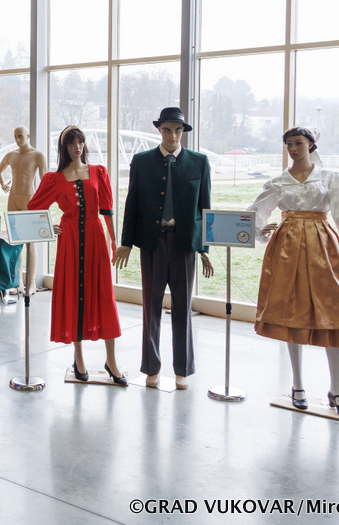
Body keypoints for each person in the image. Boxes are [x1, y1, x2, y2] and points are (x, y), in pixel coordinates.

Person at [248, 127, 339, 418]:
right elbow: (256, 210)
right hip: (288, 246)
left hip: (323, 245)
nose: (293, 149)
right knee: (291, 310)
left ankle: (337, 389)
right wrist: (260, 229)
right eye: (289, 144)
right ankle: (297, 386)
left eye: (299, 143)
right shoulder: (278, 182)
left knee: (335, 311)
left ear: (311, 145)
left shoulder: (329, 177)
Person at [114, 107, 214, 390]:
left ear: (183, 132)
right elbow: (132, 203)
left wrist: (204, 248)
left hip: (185, 244)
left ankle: (182, 369)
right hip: (152, 242)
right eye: (167, 130)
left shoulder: (199, 162)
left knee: (183, 307)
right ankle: (151, 367)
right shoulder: (142, 161)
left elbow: (205, 207)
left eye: (178, 130)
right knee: (151, 306)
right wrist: (126, 242)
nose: (173, 135)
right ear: (159, 130)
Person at [27, 126, 124, 385]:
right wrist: (48, 227)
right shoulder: (55, 179)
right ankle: (78, 358)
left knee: (104, 295)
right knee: (74, 295)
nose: (77, 147)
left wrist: (114, 241)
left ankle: (111, 360)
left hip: (95, 238)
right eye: (71, 143)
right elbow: (33, 207)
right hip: (69, 240)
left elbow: (107, 210)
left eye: (80, 142)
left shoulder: (98, 172)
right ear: (64, 148)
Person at [0, 126, 47, 294]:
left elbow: (45, 180)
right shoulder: (11, 155)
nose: (18, 140)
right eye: (15, 136)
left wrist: (42, 201)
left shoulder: (38, 155)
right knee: (16, 242)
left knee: (30, 243)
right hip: (13, 198)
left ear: (28, 136)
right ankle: (19, 283)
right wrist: (3, 184)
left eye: (21, 136)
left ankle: (32, 283)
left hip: (29, 199)